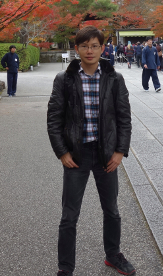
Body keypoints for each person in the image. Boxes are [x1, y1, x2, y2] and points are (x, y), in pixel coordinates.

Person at [47, 26, 135, 276]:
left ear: (102, 48)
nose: (89, 50)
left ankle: (113, 255)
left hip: (106, 154)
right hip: (77, 155)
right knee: (69, 215)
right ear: (76, 49)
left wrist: (120, 151)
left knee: (112, 210)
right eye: (84, 46)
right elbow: (54, 119)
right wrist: (62, 152)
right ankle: (65, 268)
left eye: (95, 46)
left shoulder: (114, 78)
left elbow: (124, 118)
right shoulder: (64, 79)